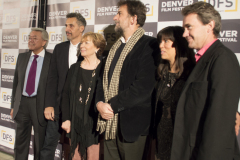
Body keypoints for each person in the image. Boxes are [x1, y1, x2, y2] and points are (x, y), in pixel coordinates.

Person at [170, 2, 240, 159]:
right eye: (184, 29)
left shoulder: (223, 58)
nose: (184, 34)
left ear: (209, 26)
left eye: (189, 27)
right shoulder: (199, 60)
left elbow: (219, 122)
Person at [95, 1, 159, 160]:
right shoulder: (114, 49)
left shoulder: (150, 45)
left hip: (133, 127)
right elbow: (101, 81)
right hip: (109, 123)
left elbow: (143, 87)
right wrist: (99, 104)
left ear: (133, 19)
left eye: (119, 14)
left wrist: (111, 106)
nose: (115, 17)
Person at [41, 12, 86, 159]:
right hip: (58, 107)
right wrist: (49, 104)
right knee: (48, 145)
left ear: (81, 28)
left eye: (71, 25)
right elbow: (52, 78)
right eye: (66, 25)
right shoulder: (59, 48)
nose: (67, 28)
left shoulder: (89, 48)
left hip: (80, 109)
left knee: (79, 148)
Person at [61, 32, 106, 160]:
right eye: (82, 43)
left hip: (94, 122)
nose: (82, 45)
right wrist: (66, 119)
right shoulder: (74, 68)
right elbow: (66, 95)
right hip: (74, 120)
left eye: (87, 42)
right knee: (74, 156)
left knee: (93, 156)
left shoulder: (104, 68)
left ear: (97, 48)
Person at [153, 26, 195, 160]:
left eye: (166, 41)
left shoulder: (192, 75)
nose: (161, 45)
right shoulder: (161, 73)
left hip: (181, 144)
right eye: (160, 41)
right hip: (160, 141)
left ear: (179, 44)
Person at [10, 28, 51, 160]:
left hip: (40, 104)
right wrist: (13, 106)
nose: (30, 40)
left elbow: (54, 85)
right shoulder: (22, 57)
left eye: (35, 38)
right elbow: (16, 83)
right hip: (22, 104)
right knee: (20, 141)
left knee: (40, 142)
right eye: (29, 37)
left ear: (44, 42)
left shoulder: (51, 59)